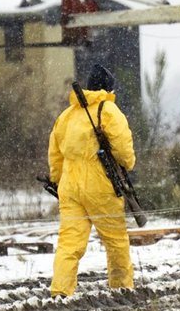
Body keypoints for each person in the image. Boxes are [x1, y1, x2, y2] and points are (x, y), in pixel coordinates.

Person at [48, 64, 136, 298]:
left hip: (69, 185)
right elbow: (123, 151)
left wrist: (58, 181)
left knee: (69, 242)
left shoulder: (65, 116)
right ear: (108, 87)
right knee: (115, 240)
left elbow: (55, 155)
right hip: (100, 184)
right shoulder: (108, 110)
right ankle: (121, 288)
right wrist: (128, 164)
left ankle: (60, 291)